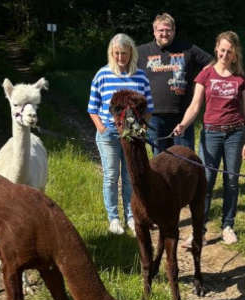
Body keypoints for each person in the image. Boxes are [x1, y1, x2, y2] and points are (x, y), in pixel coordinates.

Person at [173, 31, 245, 246]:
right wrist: (183, 124)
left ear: (235, 55)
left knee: (231, 181)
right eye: (222, 50)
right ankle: (199, 230)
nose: (225, 55)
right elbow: (195, 105)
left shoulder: (242, 79)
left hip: (235, 134)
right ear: (216, 49)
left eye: (229, 52)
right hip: (211, 133)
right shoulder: (206, 74)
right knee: (205, 182)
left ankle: (228, 226)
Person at [88, 33, 153, 236]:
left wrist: (142, 127)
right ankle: (113, 218)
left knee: (130, 177)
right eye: (116, 53)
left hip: (132, 136)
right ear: (111, 53)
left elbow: (149, 107)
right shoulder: (102, 75)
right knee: (110, 175)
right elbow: (92, 107)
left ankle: (132, 216)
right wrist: (101, 127)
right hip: (109, 135)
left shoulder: (140, 76)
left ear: (131, 53)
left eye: (123, 53)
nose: (120, 57)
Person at [138, 13, 212, 155]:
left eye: (168, 30)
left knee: (185, 160)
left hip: (183, 115)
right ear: (154, 31)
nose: (165, 34)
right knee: (160, 161)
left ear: (174, 31)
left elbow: (212, 64)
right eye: (161, 30)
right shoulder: (141, 52)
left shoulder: (188, 49)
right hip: (153, 117)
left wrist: (200, 82)